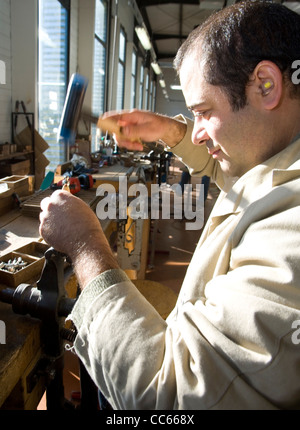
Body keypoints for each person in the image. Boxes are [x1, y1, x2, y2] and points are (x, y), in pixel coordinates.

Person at [39, 1, 300, 409]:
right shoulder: (278, 158)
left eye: (202, 111)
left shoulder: (291, 230)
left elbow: (171, 397)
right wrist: (168, 130)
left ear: (266, 85)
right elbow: (234, 177)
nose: (196, 135)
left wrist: (86, 245)